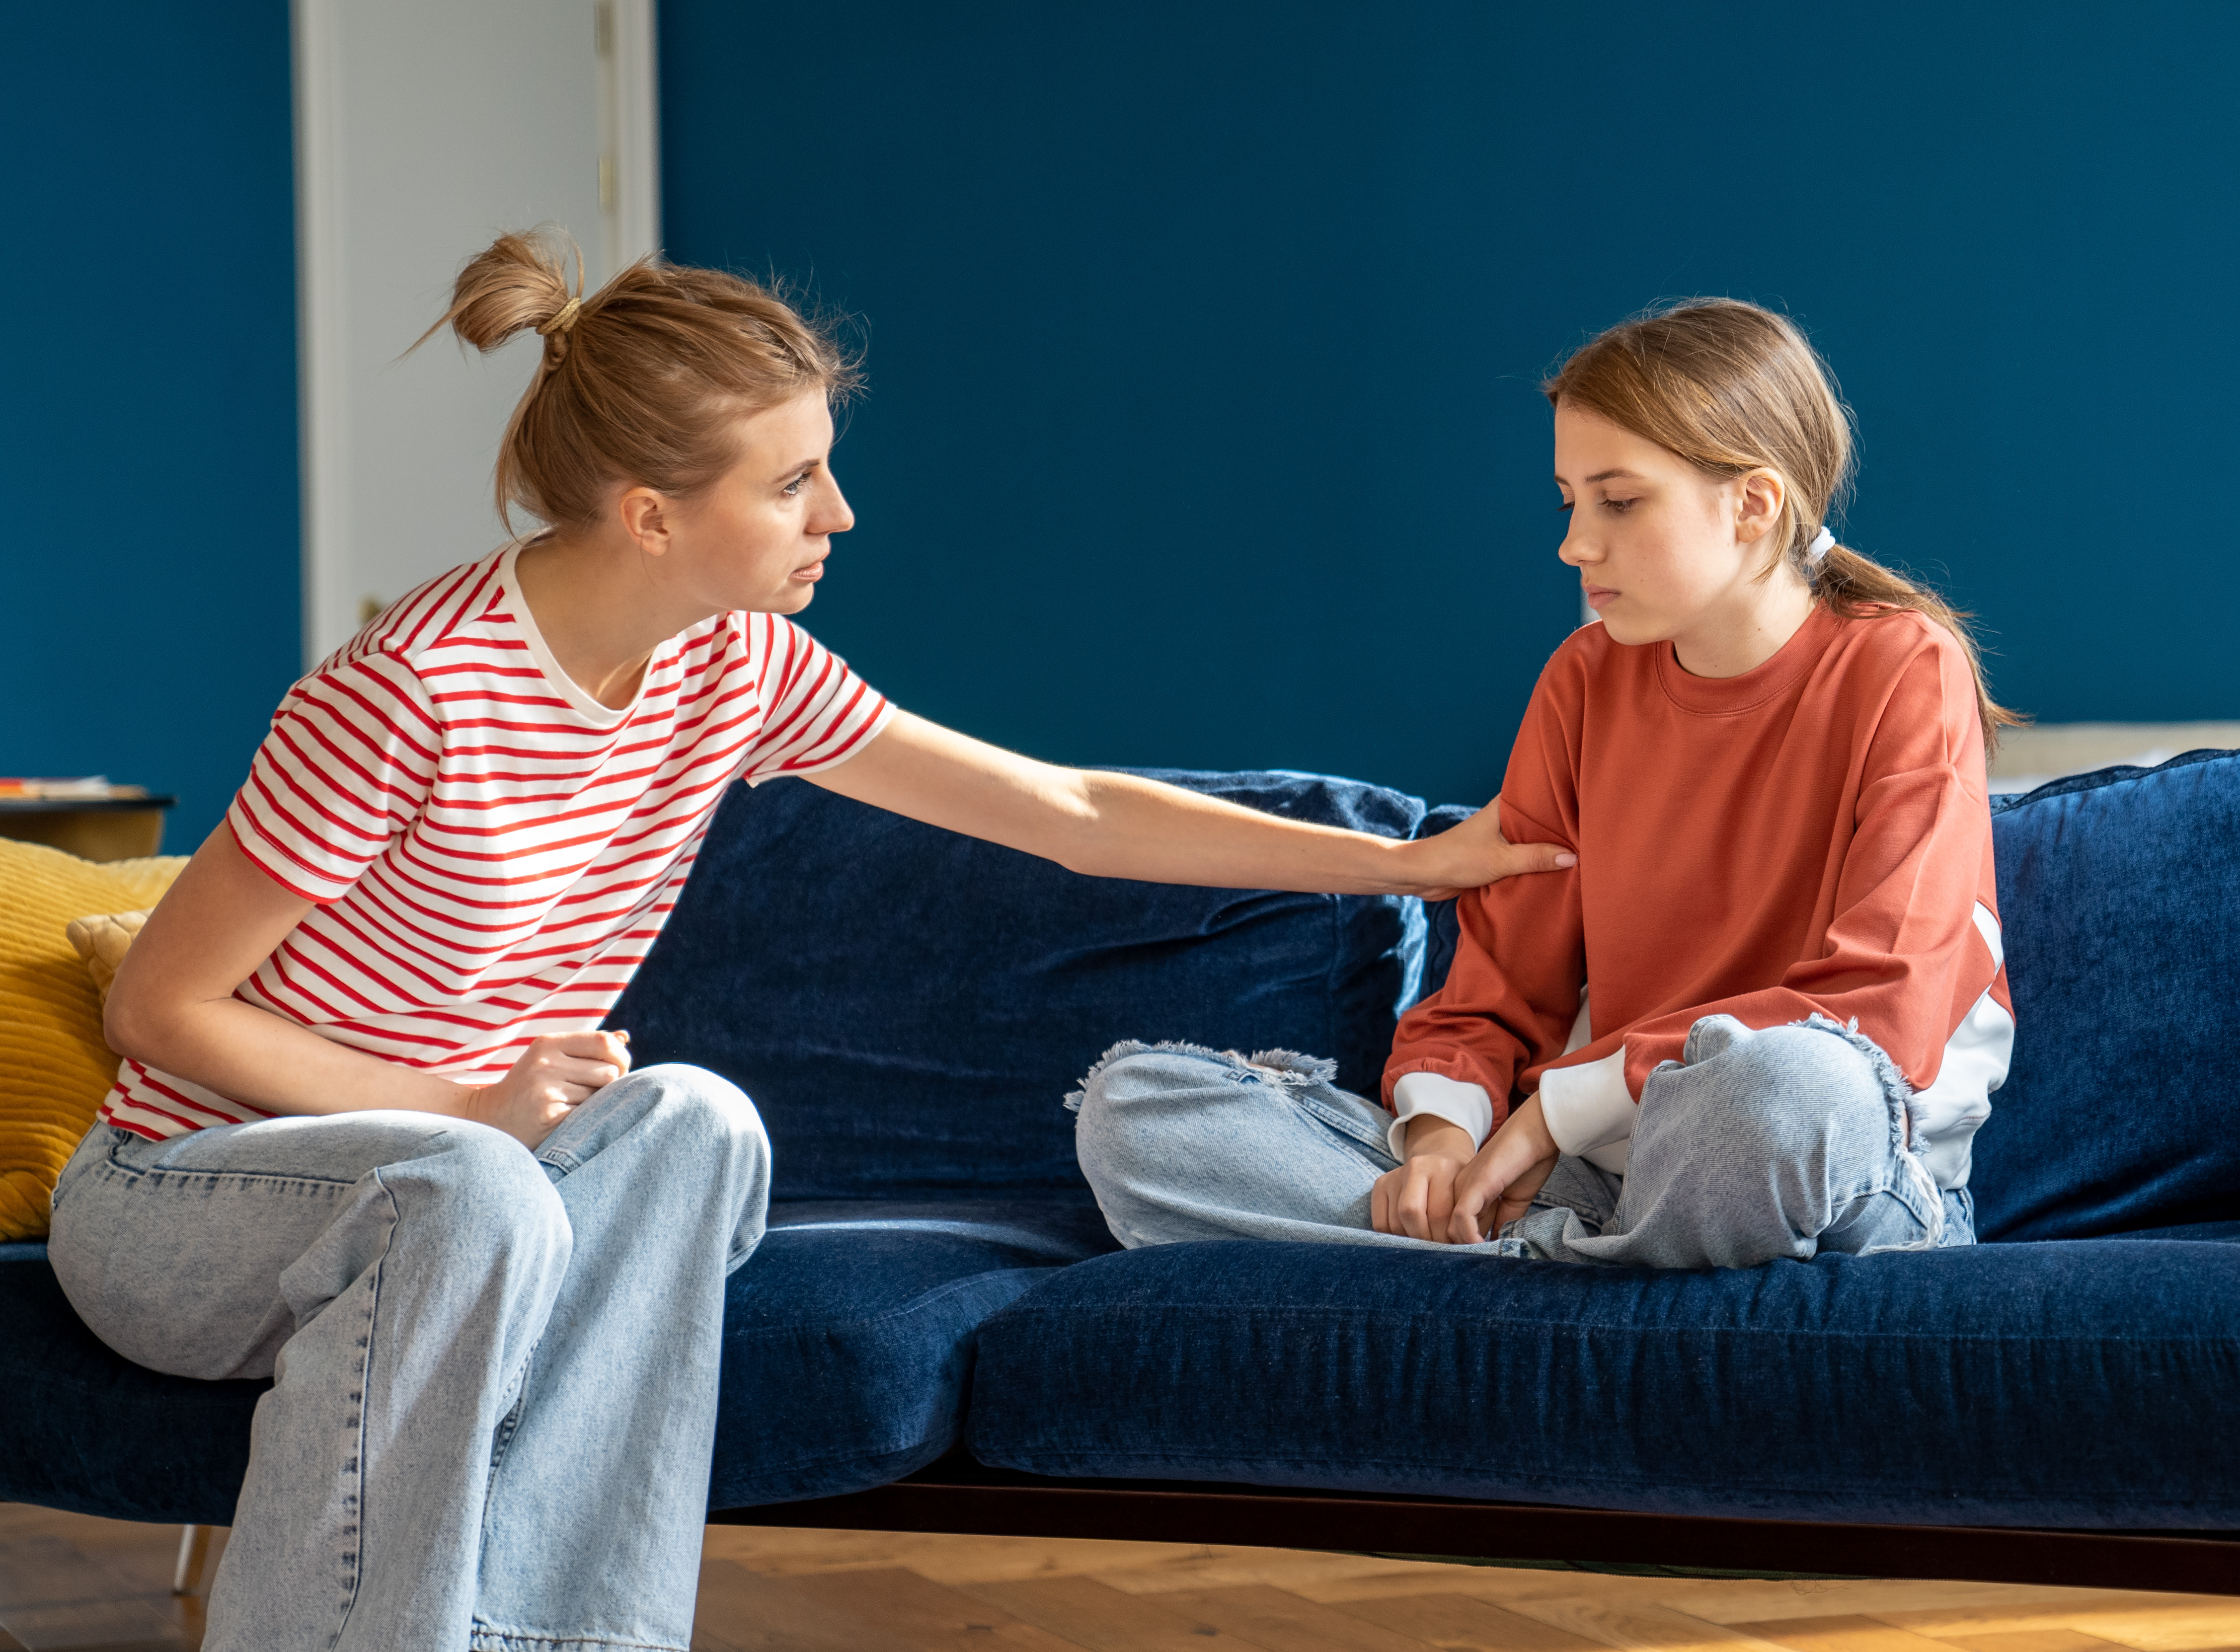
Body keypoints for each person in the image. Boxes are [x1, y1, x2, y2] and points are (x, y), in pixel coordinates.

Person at [44, 231, 1568, 1652]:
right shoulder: (410, 692)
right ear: (651, 513)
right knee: (477, 1186)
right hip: (188, 1200)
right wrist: (461, 1108)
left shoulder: (735, 664)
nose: (836, 512)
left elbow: (1069, 812)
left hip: (465, 1185)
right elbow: (162, 1010)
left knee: (694, 1119)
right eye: (791, 482)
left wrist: (1409, 863)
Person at [1075, 297, 2017, 1273]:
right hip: (1601, 1181)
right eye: (1569, 502)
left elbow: (1882, 1006)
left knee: (1789, 1086)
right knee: (1137, 1114)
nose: (1575, 545)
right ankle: (1587, 1273)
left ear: (1753, 503)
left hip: (1821, 1169)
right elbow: (1497, 987)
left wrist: (1548, 1115)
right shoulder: (1582, 680)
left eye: (1618, 502)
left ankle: (1529, 1280)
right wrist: (1442, 1141)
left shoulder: (1905, 666)